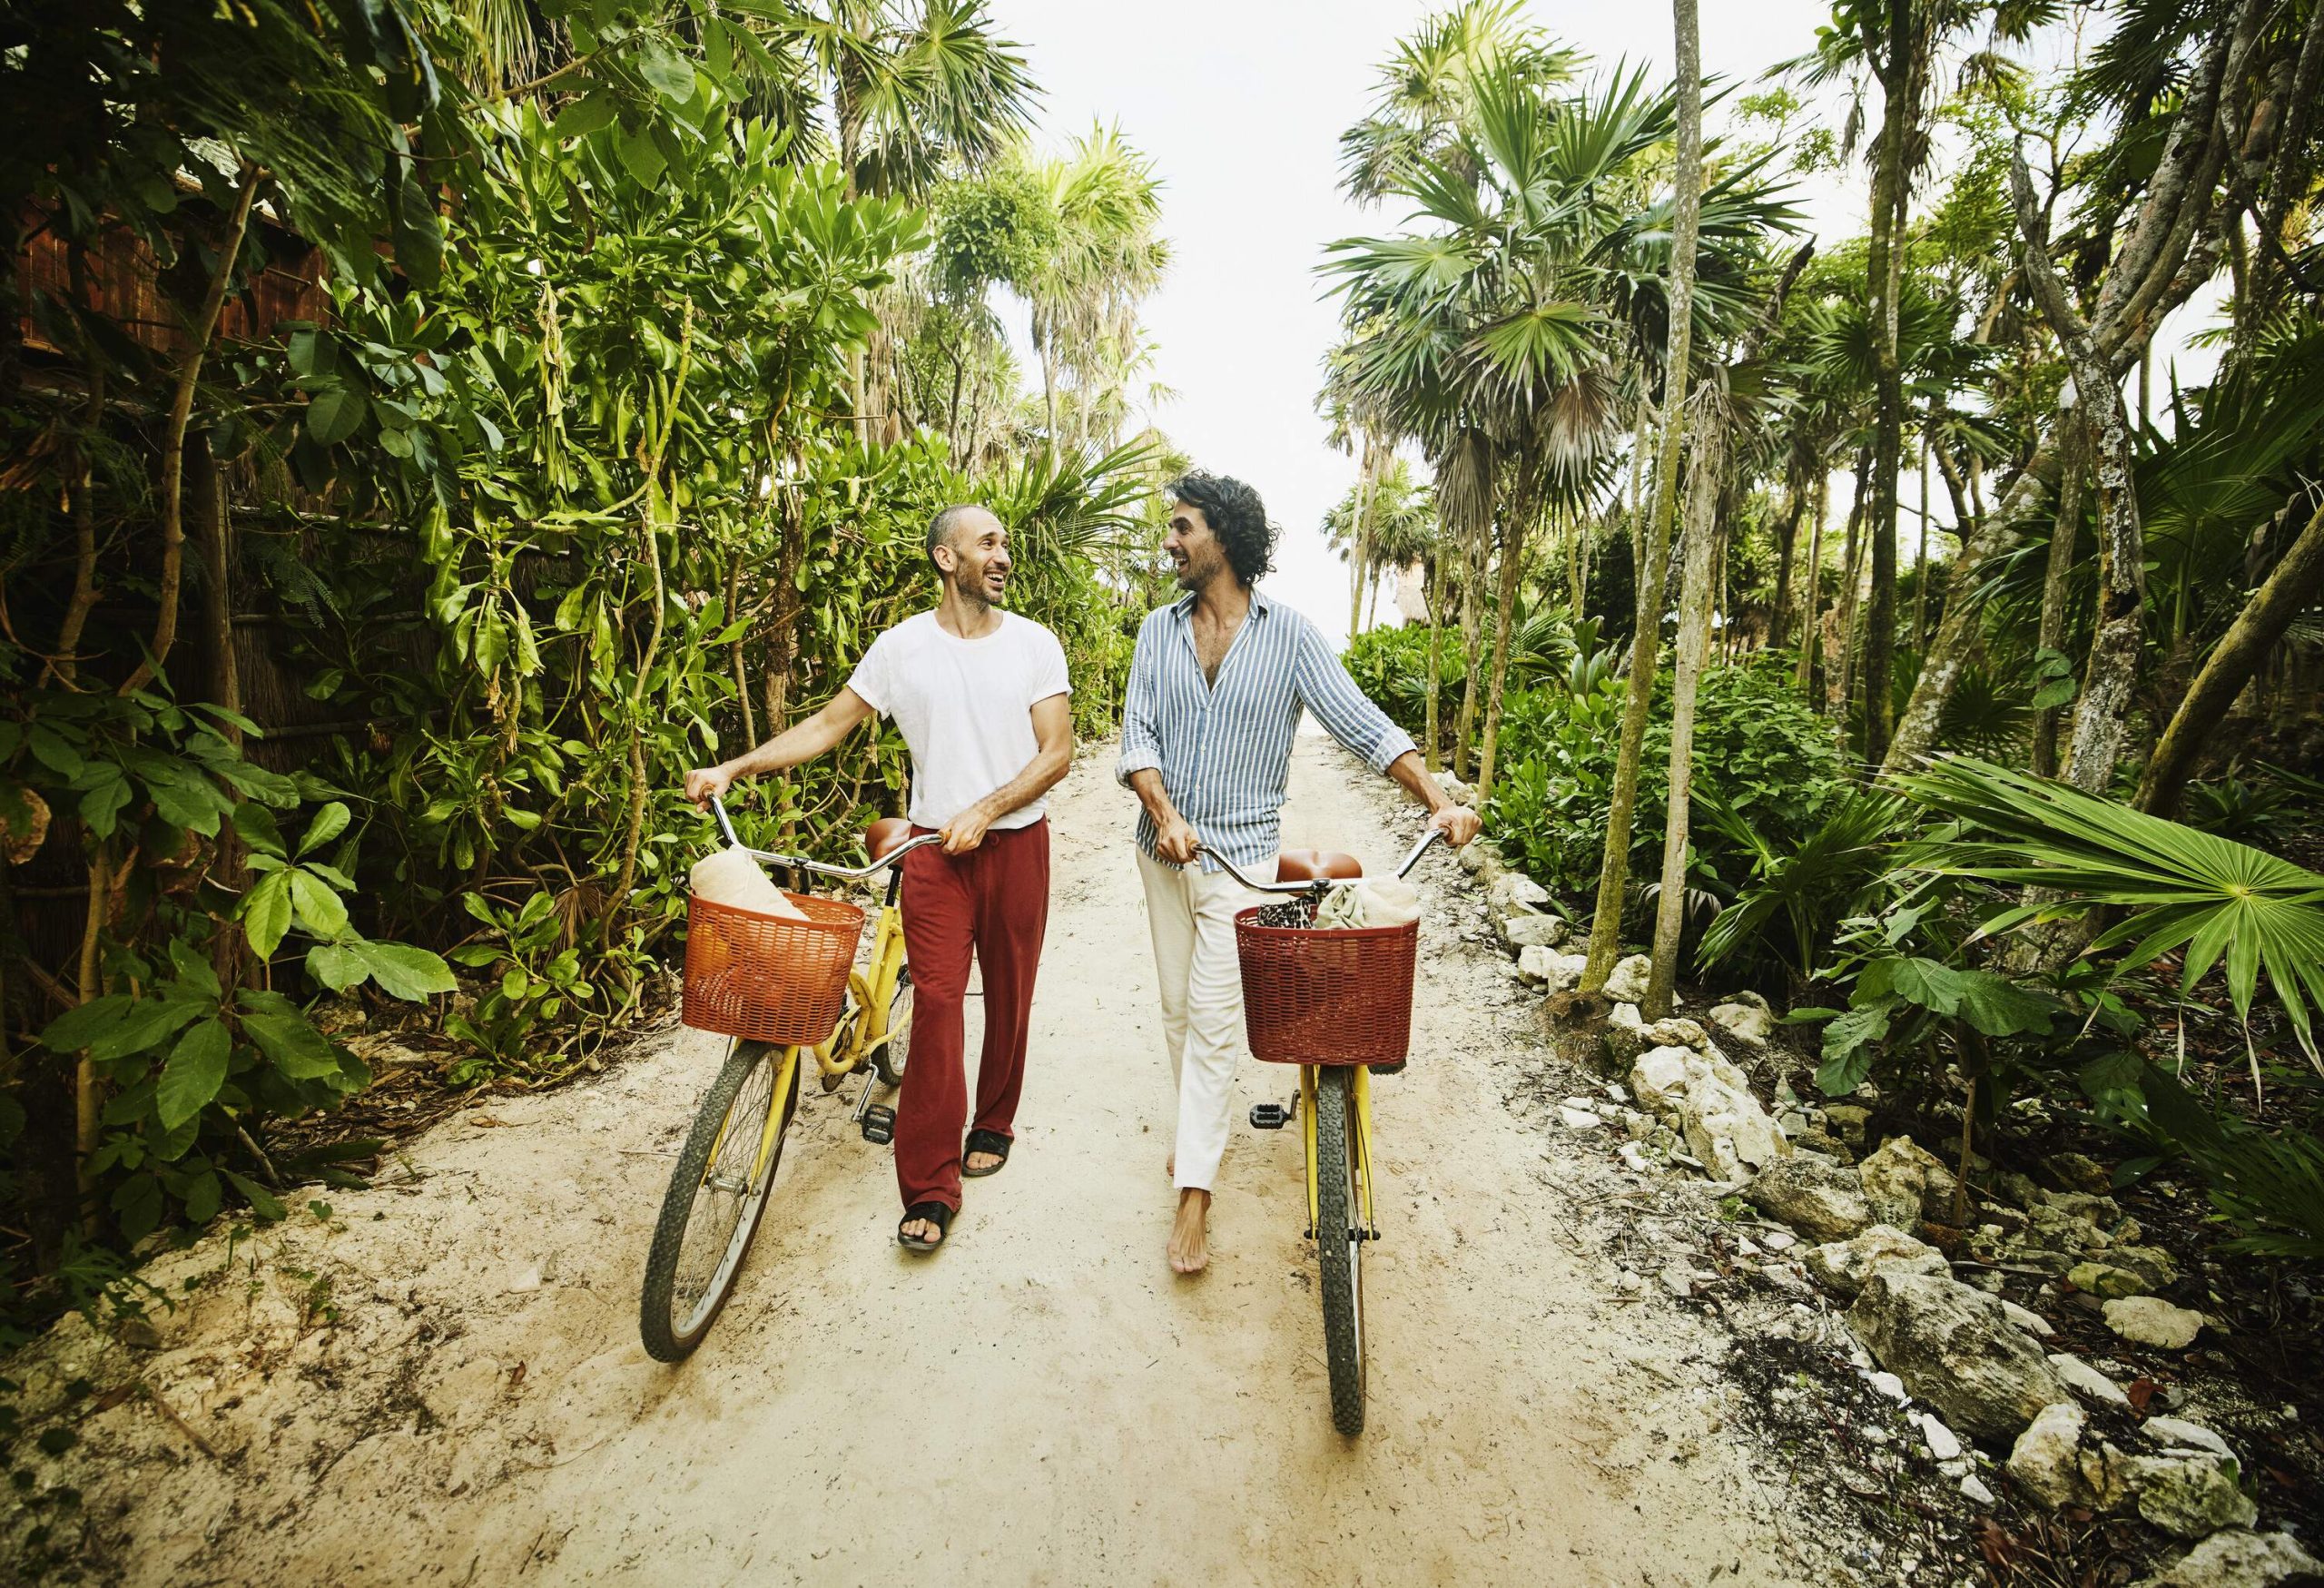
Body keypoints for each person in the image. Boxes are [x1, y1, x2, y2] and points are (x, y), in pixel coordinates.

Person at [1116, 471, 1479, 1276]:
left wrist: (1439, 797)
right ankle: (1195, 1138)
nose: (1169, 542)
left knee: (1212, 1020)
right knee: (1178, 1012)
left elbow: (1362, 723)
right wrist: (1166, 814)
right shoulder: (1157, 631)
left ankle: (1195, 1195)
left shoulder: (1291, 636)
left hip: (1238, 866)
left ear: (1225, 539)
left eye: (1182, 527)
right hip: (1160, 851)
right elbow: (1137, 731)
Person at [685, 504, 1071, 1255]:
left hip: (1017, 842)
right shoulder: (901, 649)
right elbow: (828, 725)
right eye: (986, 542)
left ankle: (993, 1116)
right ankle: (929, 1183)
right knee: (935, 1004)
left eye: (1004, 544)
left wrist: (988, 809)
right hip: (934, 852)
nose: (1003, 555)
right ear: (945, 558)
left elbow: (1056, 751)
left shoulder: (1033, 644)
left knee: (1011, 991)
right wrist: (735, 765)